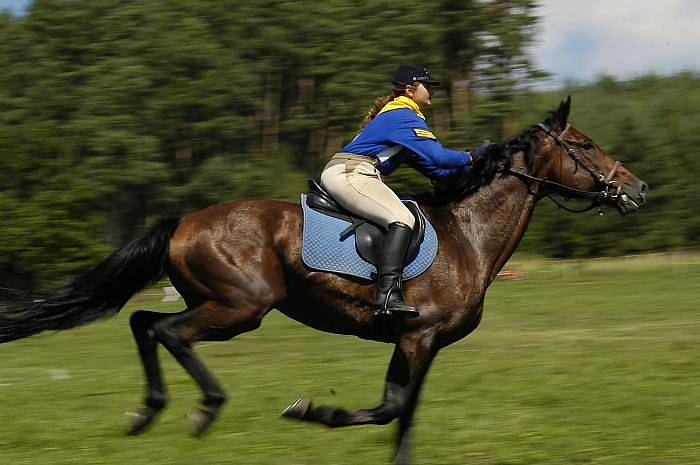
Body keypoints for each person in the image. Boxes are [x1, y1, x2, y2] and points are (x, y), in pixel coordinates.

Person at [320, 64, 492, 319]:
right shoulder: (403, 115)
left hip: (353, 172)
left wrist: (480, 169)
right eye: (428, 86)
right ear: (411, 90)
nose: (432, 91)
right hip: (351, 173)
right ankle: (386, 296)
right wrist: (473, 155)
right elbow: (440, 156)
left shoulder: (403, 117)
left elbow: (437, 171)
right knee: (403, 218)